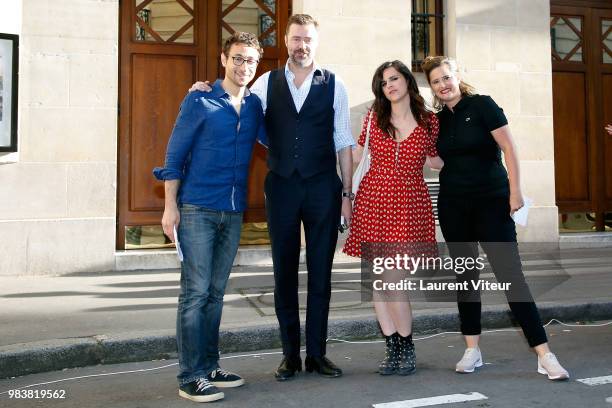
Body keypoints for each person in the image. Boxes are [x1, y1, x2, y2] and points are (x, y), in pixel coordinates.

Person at [190, 14, 354, 380]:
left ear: (316, 41)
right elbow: (240, 108)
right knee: (283, 273)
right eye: (296, 39)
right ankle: (290, 356)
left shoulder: (335, 84)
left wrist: (347, 192)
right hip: (281, 186)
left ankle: (317, 354)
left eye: (308, 39)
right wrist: (207, 89)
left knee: (321, 275)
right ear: (286, 40)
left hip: (323, 187)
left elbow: (343, 140)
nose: (302, 45)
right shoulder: (266, 82)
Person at [421, 56, 570, 381]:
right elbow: (436, 161)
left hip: (492, 203)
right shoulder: (437, 121)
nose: (443, 84)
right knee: (466, 278)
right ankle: (472, 349)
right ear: (431, 87)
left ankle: (544, 354)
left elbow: (510, 149)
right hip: (453, 207)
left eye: (447, 77)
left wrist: (515, 193)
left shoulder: (483, 105)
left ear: (457, 76)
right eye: (436, 81)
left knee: (511, 277)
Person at [153, 32, 267, 403]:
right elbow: (174, 155)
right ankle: (190, 376)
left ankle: (210, 365)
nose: (243, 66)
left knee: (216, 294)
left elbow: (280, 137)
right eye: (237, 58)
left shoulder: (253, 107)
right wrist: (171, 208)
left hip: (232, 212)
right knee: (195, 293)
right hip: (198, 208)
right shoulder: (199, 100)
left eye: (250, 60)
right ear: (223, 59)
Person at [342, 60, 441, 376]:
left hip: (410, 204)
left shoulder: (429, 121)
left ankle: (407, 346)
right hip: (373, 201)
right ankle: (393, 348)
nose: (390, 86)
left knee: (393, 281)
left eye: (394, 78)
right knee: (379, 283)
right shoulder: (374, 117)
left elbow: (438, 160)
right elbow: (357, 155)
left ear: (408, 81)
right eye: (384, 82)